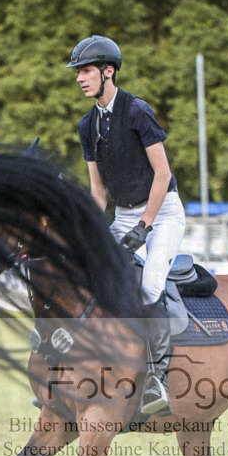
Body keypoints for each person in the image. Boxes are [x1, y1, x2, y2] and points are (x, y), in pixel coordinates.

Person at [66, 34, 186, 416]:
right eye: (78, 73)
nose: (80, 78)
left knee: (149, 287)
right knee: (88, 279)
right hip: (124, 215)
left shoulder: (137, 111)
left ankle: (157, 379)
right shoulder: (87, 125)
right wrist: (87, 230)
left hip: (162, 213)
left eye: (86, 71)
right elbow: (98, 190)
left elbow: (162, 173)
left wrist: (145, 227)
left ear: (108, 71)